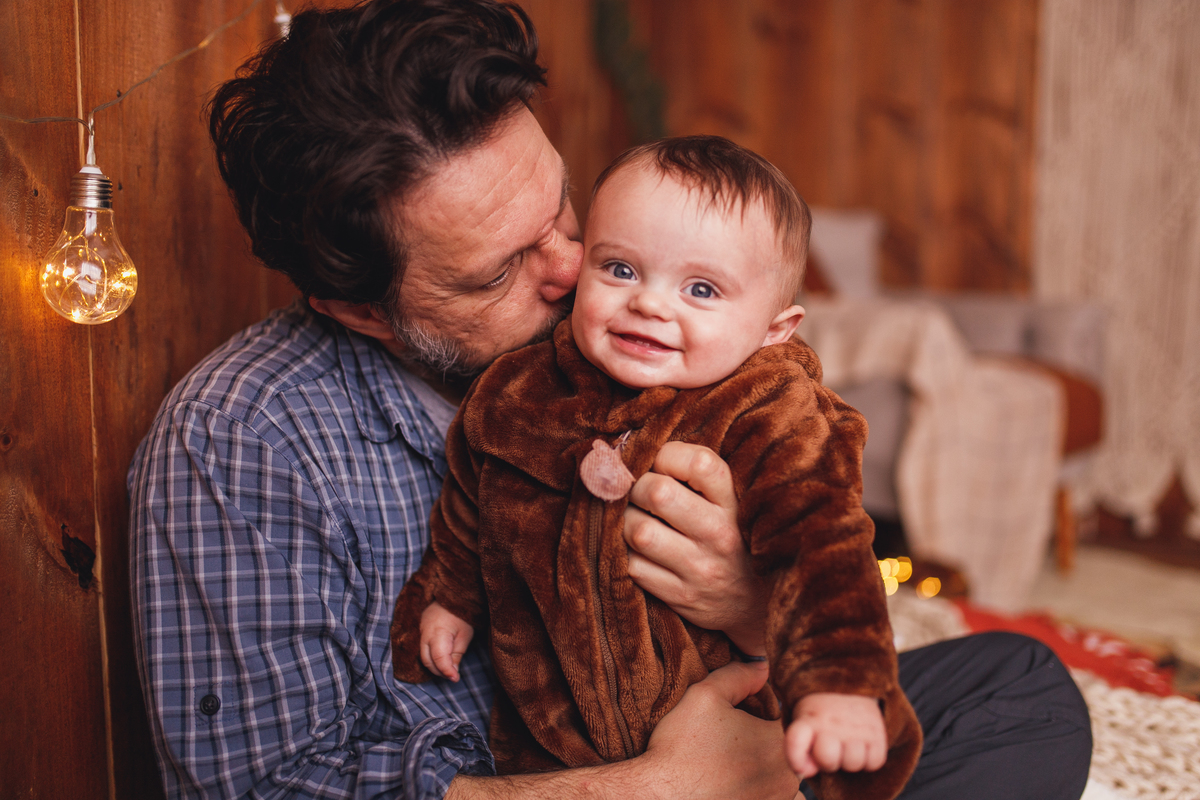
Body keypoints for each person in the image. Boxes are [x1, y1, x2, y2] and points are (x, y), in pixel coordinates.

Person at [128, 1, 1092, 799]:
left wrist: (749, 604)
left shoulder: (627, 335)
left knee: (1020, 688)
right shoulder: (242, 438)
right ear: (361, 309)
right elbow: (257, 788)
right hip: (549, 778)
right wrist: (662, 787)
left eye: (560, 208)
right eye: (500, 270)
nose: (576, 272)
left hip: (718, 709)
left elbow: (802, 510)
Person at [390, 135, 922, 800]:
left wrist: (840, 685)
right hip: (554, 750)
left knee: (1020, 684)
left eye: (701, 289)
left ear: (775, 329)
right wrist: (452, 593)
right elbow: (471, 493)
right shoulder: (519, 390)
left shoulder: (769, 410)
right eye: (620, 270)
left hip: (735, 738)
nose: (650, 303)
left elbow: (822, 545)